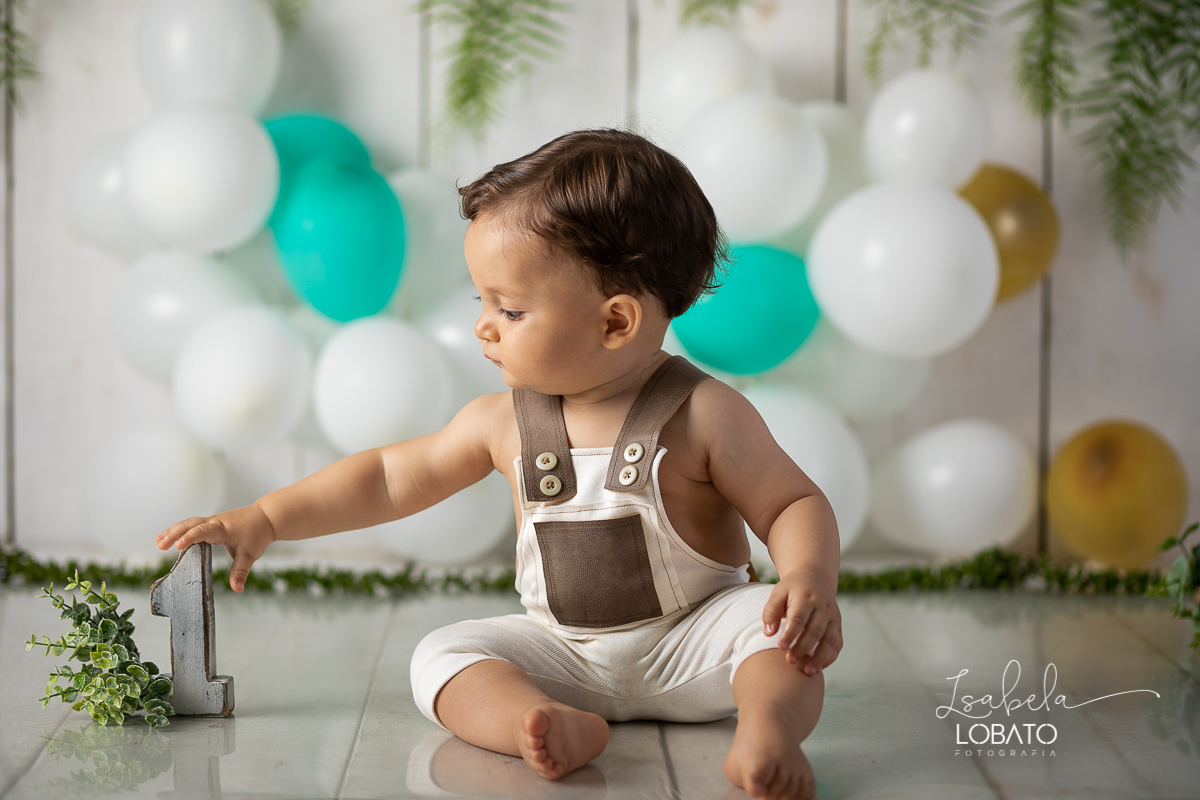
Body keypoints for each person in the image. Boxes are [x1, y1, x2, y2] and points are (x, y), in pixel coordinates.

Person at [156, 128, 842, 800]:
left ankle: (766, 730)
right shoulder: (504, 422)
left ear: (615, 323)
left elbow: (791, 503)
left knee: (776, 640)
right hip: (565, 657)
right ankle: (534, 722)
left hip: (697, 645)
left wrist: (807, 579)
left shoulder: (702, 412)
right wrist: (268, 517)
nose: (483, 325)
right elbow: (389, 478)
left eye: (509, 309)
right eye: (481, 301)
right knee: (442, 655)